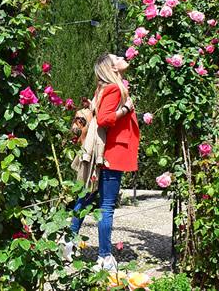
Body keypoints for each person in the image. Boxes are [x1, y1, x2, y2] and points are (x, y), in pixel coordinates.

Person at [64, 53, 141, 272]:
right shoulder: (114, 89)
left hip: (106, 151)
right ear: (112, 68)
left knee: (87, 196)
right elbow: (105, 119)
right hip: (113, 152)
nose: (122, 57)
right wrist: (126, 109)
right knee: (106, 206)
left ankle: (67, 242)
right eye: (117, 58)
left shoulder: (104, 88)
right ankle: (104, 258)